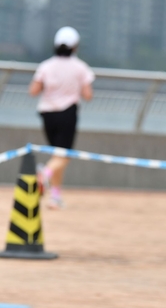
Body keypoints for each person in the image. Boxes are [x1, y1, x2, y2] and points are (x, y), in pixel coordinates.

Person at [29, 26, 95, 209]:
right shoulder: (80, 67)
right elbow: (88, 95)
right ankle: (44, 175)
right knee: (64, 156)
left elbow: (33, 90)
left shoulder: (46, 66)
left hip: (47, 114)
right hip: (67, 113)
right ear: (75, 46)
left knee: (57, 155)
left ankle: (55, 196)